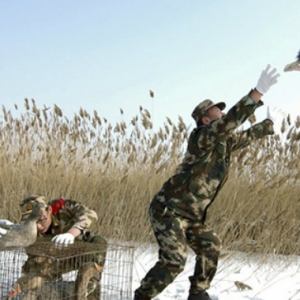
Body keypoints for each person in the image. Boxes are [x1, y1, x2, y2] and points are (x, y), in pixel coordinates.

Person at [134, 64, 280, 300]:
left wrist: (269, 124)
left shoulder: (222, 143)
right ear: (205, 119)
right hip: (168, 210)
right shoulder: (201, 138)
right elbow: (228, 123)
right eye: (216, 111)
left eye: (221, 110)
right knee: (174, 260)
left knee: (211, 245)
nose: (221, 113)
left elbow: (244, 136)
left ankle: (198, 293)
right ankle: (142, 296)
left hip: (191, 217)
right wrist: (256, 94)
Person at [0, 195, 107, 299]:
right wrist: (15, 232)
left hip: (77, 253)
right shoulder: (29, 228)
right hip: (51, 260)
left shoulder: (64, 208)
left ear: (49, 210)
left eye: (41, 220)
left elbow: (91, 215)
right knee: (43, 288)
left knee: (98, 242)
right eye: (33, 222)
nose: (38, 226)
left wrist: (71, 233)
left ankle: (89, 287)